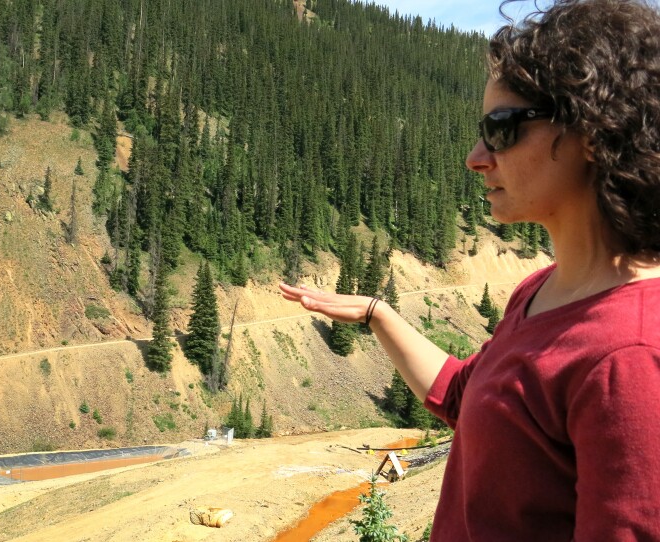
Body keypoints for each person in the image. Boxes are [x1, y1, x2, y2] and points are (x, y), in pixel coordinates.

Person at [279, 0, 660, 540]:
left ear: (594, 134)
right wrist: (376, 314)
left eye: (501, 129)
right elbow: (470, 395)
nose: (476, 156)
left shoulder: (631, 358)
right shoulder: (542, 290)